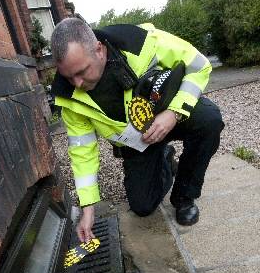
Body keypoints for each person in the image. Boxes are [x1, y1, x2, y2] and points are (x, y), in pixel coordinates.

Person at [51, 18, 224, 242]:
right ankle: (165, 158)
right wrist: (88, 208)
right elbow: (82, 150)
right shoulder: (68, 97)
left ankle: (184, 196)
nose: (77, 83)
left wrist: (173, 113)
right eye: (68, 76)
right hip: (137, 141)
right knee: (142, 206)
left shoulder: (140, 42)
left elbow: (198, 65)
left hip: (167, 114)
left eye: (82, 71)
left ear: (99, 49)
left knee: (209, 120)